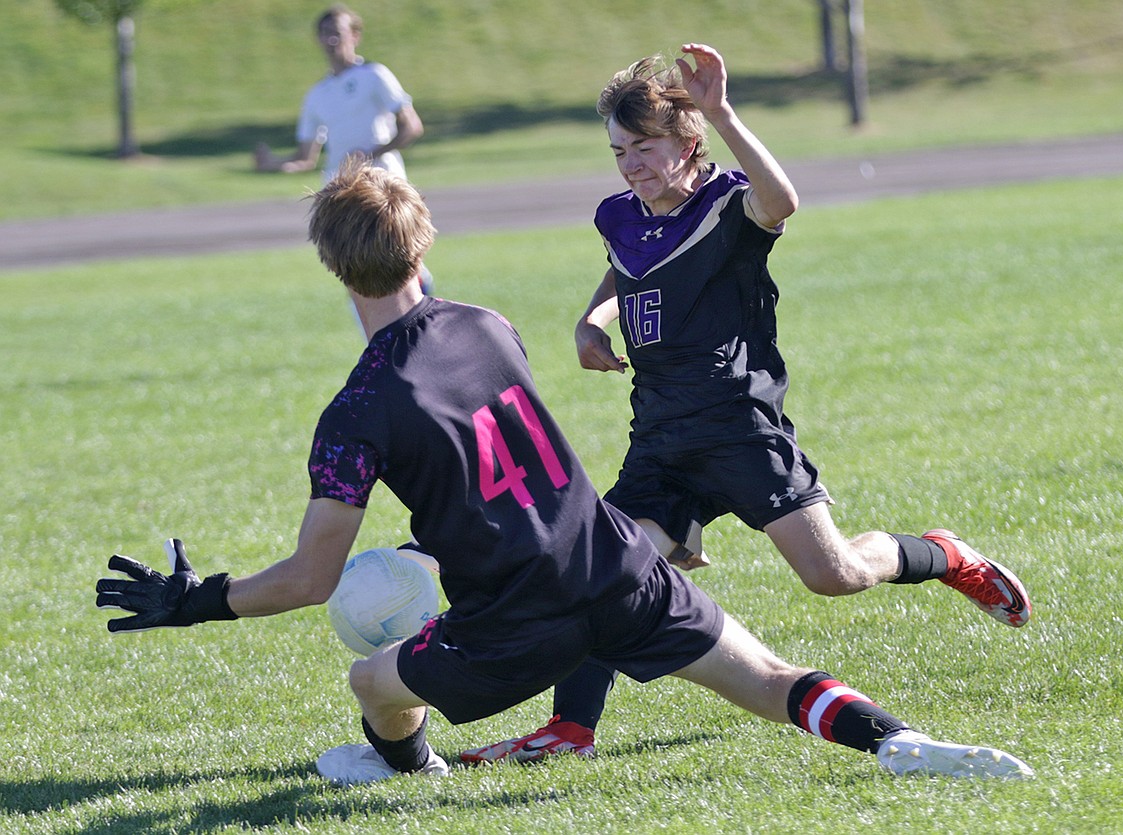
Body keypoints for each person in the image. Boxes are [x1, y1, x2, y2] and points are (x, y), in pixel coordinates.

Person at [94, 163, 1033, 785]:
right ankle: (899, 741)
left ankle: (413, 766)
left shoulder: (354, 413)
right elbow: (483, 455)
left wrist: (198, 598)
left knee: (371, 681)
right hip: (621, 569)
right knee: (777, 680)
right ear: (422, 244)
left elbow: (307, 578)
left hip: (510, 624)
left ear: (337, 270)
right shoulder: (490, 326)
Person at [460, 44, 1032, 766]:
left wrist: (724, 110)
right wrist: (591, 320)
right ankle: (571, 729)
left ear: (688, 143)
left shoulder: (731, 205)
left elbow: (783, 200)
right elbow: (627, 268)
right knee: (602, 574)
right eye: (619, 152)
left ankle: (941, 552)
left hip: (741, 430)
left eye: (645, 147)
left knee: (835, 576)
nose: (632, 164)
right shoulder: (619, 215)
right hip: (661, 441)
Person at [254, 4, 424, 184]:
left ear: (355, 36)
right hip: (339, 190)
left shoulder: (374, 75)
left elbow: (412, 127)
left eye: (337, 33)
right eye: (326, 33)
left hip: (382, 184)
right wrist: (272, 163)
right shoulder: (317, 94)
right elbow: (306, 159)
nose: (331, 40)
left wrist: (371, 155)